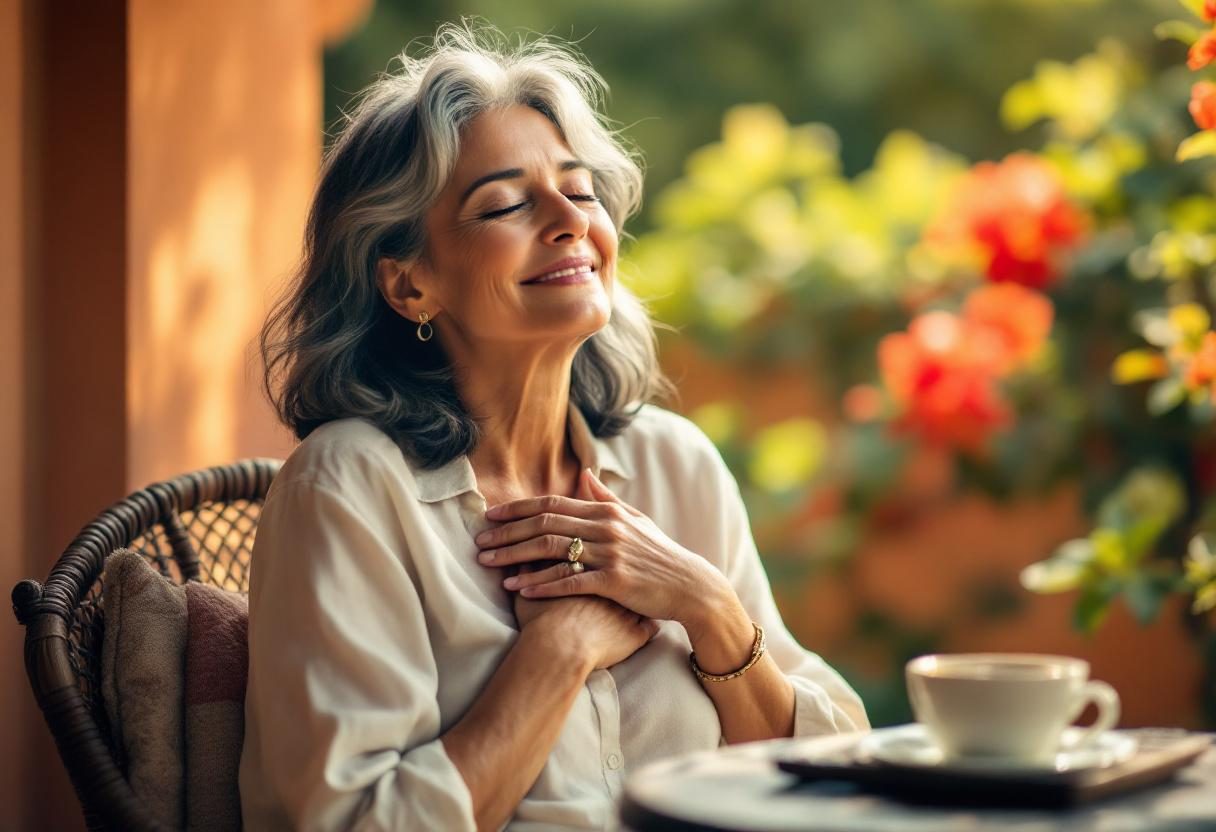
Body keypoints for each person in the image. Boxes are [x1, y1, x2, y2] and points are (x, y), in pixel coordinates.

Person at [241, 21, 868, 832]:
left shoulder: (675, 463)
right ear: (409, 285)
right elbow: (351, 824)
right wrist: (558, 650)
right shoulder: (350, 487)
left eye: (578, 191)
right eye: (504, 203)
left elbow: (837, 765)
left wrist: (707, 605)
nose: (570, 221)